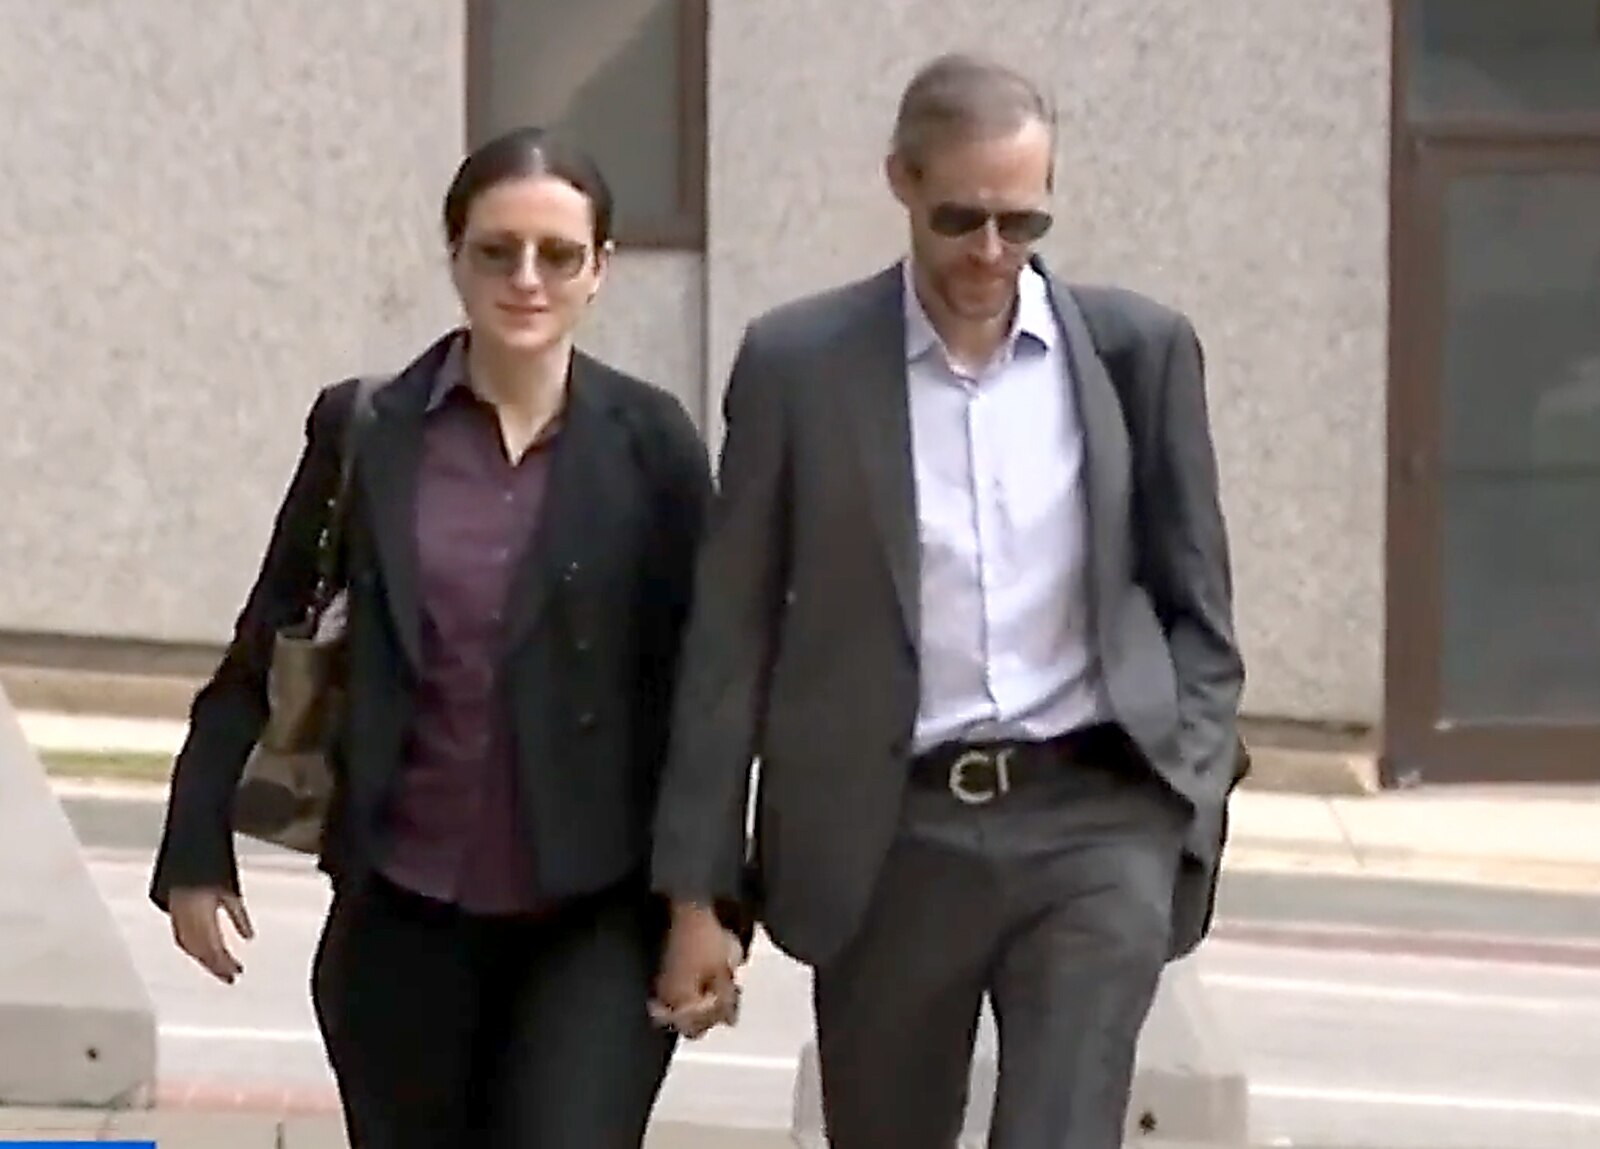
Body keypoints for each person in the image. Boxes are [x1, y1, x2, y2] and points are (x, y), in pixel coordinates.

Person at [651, 52, 1245, 1149]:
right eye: (961, 217)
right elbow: (731, 638)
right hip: (890, 837)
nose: (990, 251)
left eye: (1023, 223)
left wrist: (1185, 801)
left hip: (1093, 821)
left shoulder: (1139, 353)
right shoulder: (799, 366)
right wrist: (698, 894)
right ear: (902, 182)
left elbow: (1199, 611)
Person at [148, 126, 744, 1149]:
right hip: (402, 905)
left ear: (599, 269)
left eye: (558, 254)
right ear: (455, 257)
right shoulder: (367, 431)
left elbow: (708, 694)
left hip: (595, 910)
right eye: (496, 251)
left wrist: (707, 904)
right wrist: (196, 840)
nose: (527, 278)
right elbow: (266, 644)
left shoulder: (654, 446)